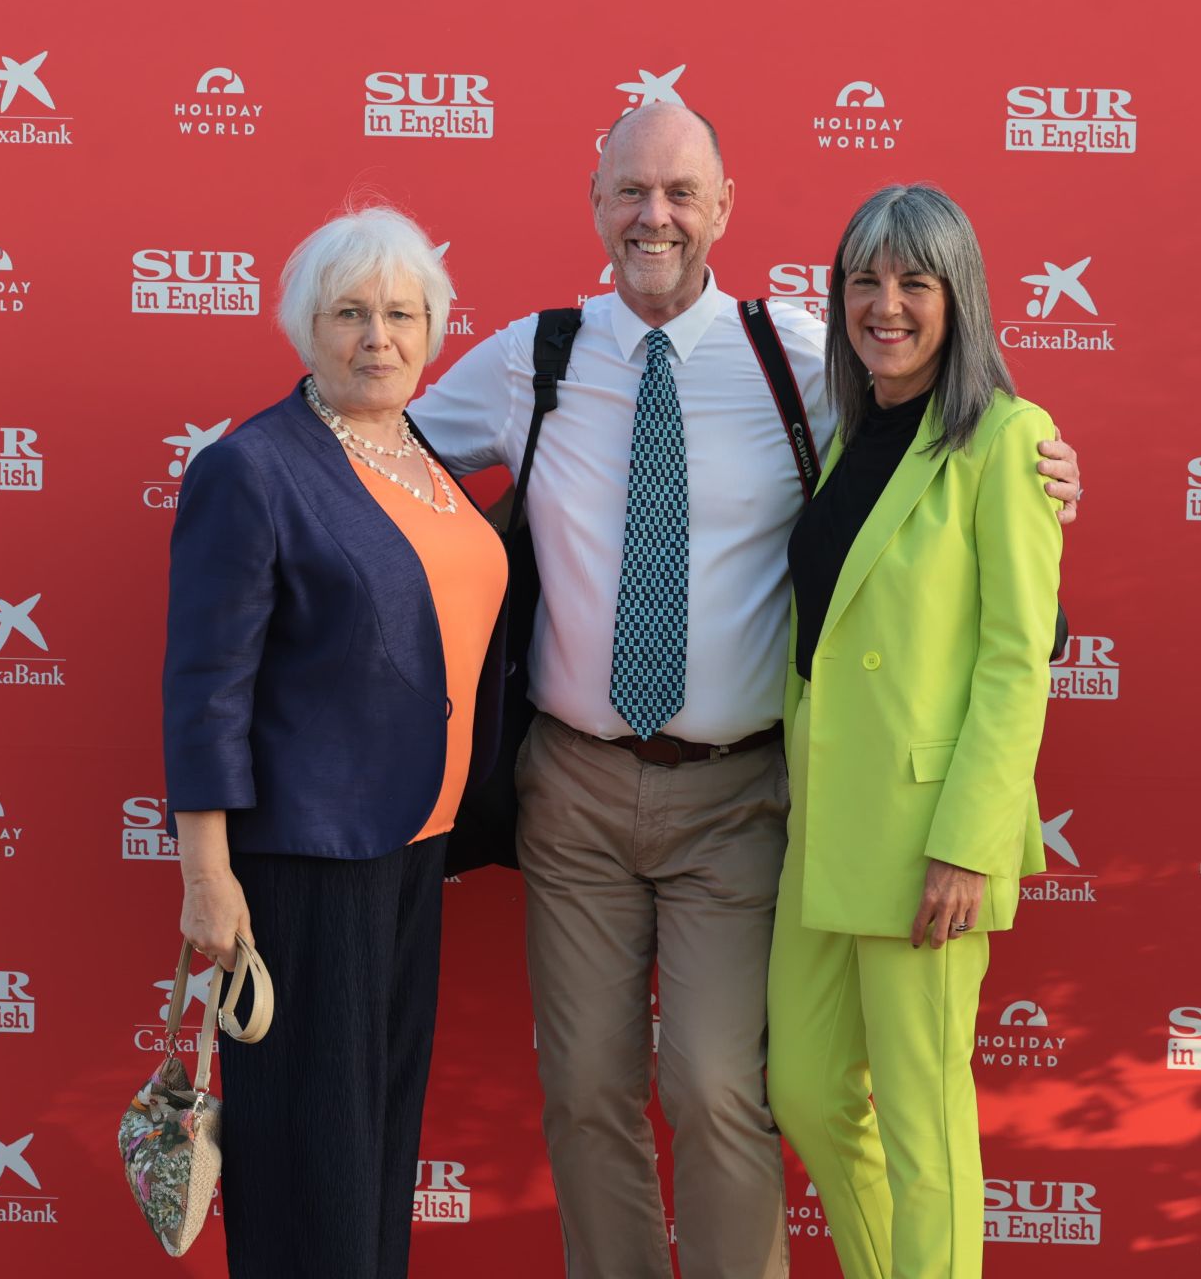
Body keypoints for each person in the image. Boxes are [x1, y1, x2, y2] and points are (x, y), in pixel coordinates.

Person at [410, 105, 1083, 1278]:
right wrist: (272, 471)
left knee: (726, 1086)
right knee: (584, 1089)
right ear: (596, 203)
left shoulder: (802, 360)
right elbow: (387, 454)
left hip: (741, 798)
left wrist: (1047, 477)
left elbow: (946, 482)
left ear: (725, 206)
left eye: (680, 191)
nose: (653, 216)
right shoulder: (533, 356)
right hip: (571, 788)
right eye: (630, 191)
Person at [162, 206, 508, 1278]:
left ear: (436, 327)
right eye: (350, 312)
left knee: (373, 1148)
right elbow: (206, 683)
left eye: (402, 313)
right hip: (304, 862)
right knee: (310, 1164)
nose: (378, 336)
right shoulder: (255, 468)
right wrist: (207, 873)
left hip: (413, 847)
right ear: (305, 326)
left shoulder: (423, 455)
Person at [766, 183, 1061, 1279]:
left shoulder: (1009, 439)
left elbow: (1016, 655)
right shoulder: (853, 436)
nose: (885, 305)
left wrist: (968, 844)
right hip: (824, 831)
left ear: (960, 299)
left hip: (930, 841)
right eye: (864, 281)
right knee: (802, 1084)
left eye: (914, 283)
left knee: (927, 1127)